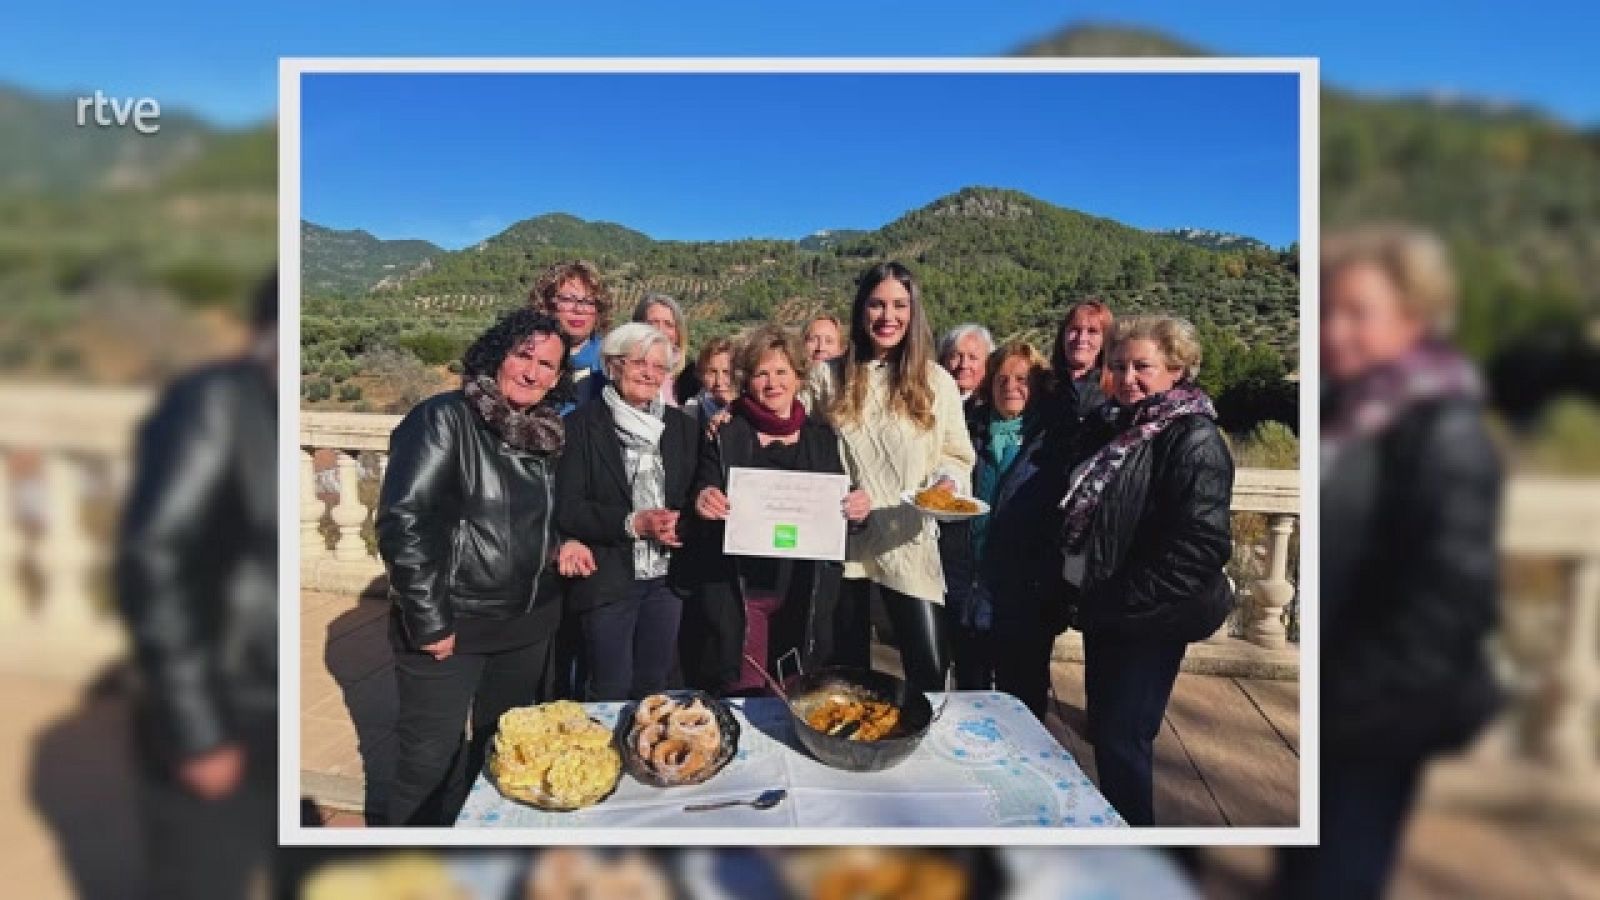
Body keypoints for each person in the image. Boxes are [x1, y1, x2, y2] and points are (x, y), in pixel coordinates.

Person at [1277, 227, 1501, 897]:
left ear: (1414, 316)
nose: (1335, 330)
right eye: (1326, 311)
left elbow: (1447, 603)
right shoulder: (1350, 410)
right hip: (1337, 708)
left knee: (1341, 873)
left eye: (1357, 312)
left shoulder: (1443, 429)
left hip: (1376, 720)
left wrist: (1348, 705)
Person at [374, 309, 577, 826]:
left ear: (559, 377)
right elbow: (404, 522)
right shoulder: (444, 417)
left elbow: (536, 520)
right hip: (453, 627)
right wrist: (428, 621)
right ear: (497, 356)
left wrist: (560, 546)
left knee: (502, 754)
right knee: (428, 765)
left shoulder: (547, 433)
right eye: (523, 356)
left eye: (547, 365)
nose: (532, 373)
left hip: (527, 628)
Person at [115, 271, 278, 897]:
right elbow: (155, 560)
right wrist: (196, 728)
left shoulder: (258, 403)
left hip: (260, 698)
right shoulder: (213, 402)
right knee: (201, 874)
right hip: (221, 699)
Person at [1051, 315, 1234, 827]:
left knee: (1122, 741)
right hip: (1109, 613)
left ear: (1176, 370)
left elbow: (1200, 546)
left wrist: (1121, 600)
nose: (1128, 376)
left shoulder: (1193, 438)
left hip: (1149, 619)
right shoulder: (1116, 427)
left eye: (1143, 366)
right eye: (1118, 365)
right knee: (1110, 736)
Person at [805, 262, 976, 694]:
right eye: (877, 304)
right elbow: (788, 428)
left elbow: (956, 455)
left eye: (899, 305)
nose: (888, 316)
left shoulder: (936, 381)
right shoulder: (829, 376)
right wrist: (730, 417)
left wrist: (946, 485)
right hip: (846, 547)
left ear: (913, 311)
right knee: (849, 678)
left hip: (909, 540)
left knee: (931, 672)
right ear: (861, 310)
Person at [681, 325, 871, 694]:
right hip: (742, 594)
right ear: (747, 381)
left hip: (803, 593)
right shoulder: (725, 433)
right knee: (745, 693)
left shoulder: (822, 436)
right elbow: (700, 490)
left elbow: (838, 511)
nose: (772, 383)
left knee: (794, 697)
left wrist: (858, 510)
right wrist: (704, 500)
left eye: (782, 372)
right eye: (761, 373)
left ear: (799, 377)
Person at [555, 322, 699, 701]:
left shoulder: (683, 427)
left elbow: (695, 493)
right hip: (608, 578)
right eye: (639, 363)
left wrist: (682, 522)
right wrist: (632, 523)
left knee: (656, 685)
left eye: (659, 367)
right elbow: (568, 508)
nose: (650, 373)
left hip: (667, 581)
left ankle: (648, 757)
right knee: (609, 687)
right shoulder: (579, 428)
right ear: (614, 365)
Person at [941, 341, 1052, 693]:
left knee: (1021, 696)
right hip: (967, 585)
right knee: (969, 693)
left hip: (1022, 595)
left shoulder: (1052, 440)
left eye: (1022, 379)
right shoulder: (969, 431)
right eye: (1002, 378)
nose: (1010, 387)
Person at [529, 260, 611, 412]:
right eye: (567, 299)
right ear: (547, 305)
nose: (578, 309)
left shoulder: (613, 364)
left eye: (588, 302)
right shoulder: (523, 355)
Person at [1049, 299, 1113, 433]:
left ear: (1105, 340)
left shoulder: (1115, 390)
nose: (1081, 338)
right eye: (1075, 329)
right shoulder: (1043, 386)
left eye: (1092, 331)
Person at [633, 292, 696, 405]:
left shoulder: (690, 378)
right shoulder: (626, 373)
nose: (660, 331)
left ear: (678, 333)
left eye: (668, 324)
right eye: (653, 323)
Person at [682, 336, 736, 432]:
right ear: (701, 375)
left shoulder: (749, 410)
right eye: (712, 372)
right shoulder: (692, 411)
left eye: (727, 372)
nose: (719, 382)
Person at [938, 322, 995, 412]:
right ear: (942, 361)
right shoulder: (928, 401)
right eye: (955, 356)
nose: (963, 365)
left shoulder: (993, 407)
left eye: (973, 358)